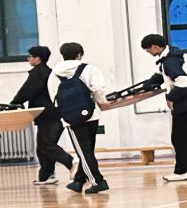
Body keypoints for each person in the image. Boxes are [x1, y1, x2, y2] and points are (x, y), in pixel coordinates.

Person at [139, 33, 187, 182]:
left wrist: (171, 98)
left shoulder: (169, 61)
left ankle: (181, 171)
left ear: (155, 47)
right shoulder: (170, 54)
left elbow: (183, 82)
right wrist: (146, 85)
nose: (148, 53)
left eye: (148, 50)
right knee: (186, 136)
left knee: (179, 138)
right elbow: (161, 75)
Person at [47, 43, 111, 196]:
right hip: (91, 114)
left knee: (83, 151)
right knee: (87, 150)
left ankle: (97, 181)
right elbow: (98, 89)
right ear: (79, 54)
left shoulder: (54, 73)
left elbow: (53, 96)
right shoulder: (89, 69)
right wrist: (102, 102)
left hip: (71, 117)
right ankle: (79, 180)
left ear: (62, 55)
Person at [9, 45, 72, 186]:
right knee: (43, 147)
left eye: (30, 56)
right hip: (52, 115)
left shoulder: (38, 73)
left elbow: (26, 91)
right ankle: (46, 176)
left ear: (38, 59)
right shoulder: (47, 72)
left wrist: (12, 105)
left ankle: (72, 163)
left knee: (46, 145)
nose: (28, 58)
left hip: (48, 115)